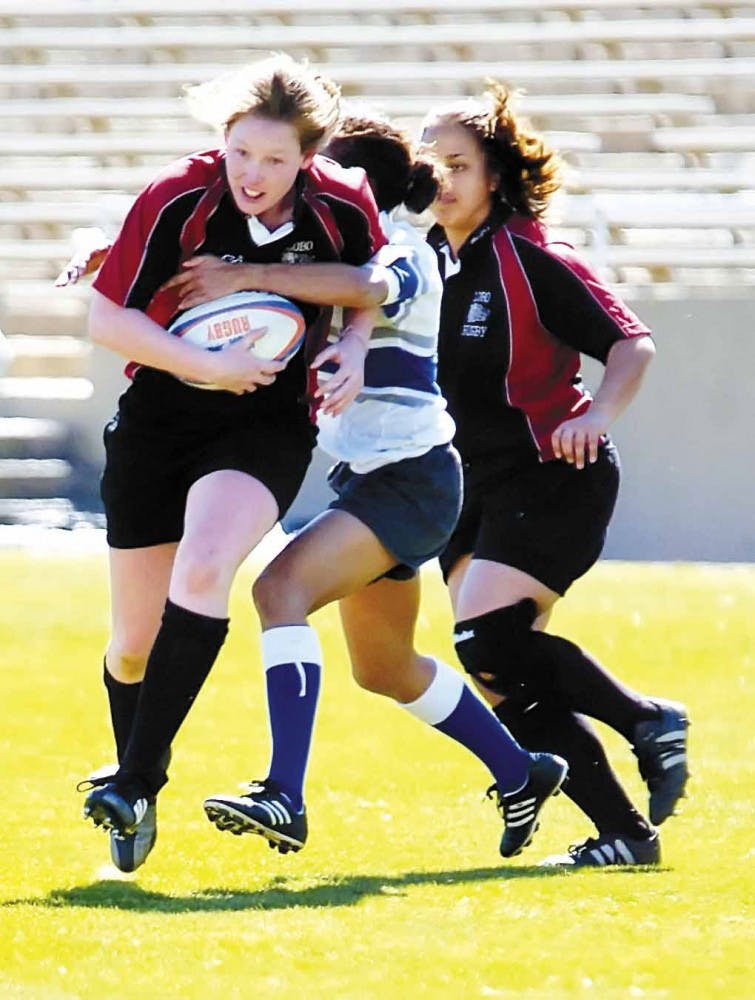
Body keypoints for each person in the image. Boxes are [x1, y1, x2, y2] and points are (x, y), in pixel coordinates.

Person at [160, 111, 568, 860]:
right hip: (377, 481)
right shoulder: (337, 246)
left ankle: (284, 795)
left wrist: (250, 275)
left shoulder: (406, 249)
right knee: (383, 667)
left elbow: (367, 286)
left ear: (356, 186)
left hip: (410, 482)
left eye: (321, 177)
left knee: (276, 591)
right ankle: (523, 770)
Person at [75, 54, 389, 873]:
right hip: (159, 418)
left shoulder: (342, 202)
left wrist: (352, 351)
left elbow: (366, 287)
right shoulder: (175, 193)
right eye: (241, 152)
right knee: (132, 646)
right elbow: (107, 320)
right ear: (223, 141)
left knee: (209, 565)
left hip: (265, 421)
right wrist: (204, 366)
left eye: (275, 159)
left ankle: (136, 781)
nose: (253, 174)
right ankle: (135, 781)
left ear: (307, 159)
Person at [408, 82, 689, 868]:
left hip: (552, 474)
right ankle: (626, 837)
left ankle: (645, 720)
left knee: (487, 636)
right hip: (471, 487)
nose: (444, 181)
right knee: (496, 670)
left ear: (494, 174)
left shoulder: (529, 255)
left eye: (459, 164)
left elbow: (631, 345)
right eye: (431, 167)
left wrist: (595, 414)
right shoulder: (428, 260)